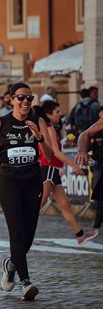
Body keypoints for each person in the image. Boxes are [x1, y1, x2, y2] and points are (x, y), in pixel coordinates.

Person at [0, 82, 53, 301]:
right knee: (16, 233)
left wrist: (38, 137)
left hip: (32, 183)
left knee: (28, 236)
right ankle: (26, 282)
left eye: (29, 99)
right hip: (10, 183)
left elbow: (48, 156)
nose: (26, 102)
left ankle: (10, 265)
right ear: (11, 99)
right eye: (21, 98)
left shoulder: (38, 121)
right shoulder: (0, 123)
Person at [33, 102, 98, 245]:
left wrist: (65, 143)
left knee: (65, 203)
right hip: (49, 168)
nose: (60, 114)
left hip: (52, 169)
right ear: (48, 115)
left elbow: (54, 148)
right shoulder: (49, 128)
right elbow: (55, 152)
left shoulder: (50, 129)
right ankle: (24, 235)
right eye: (57, 112)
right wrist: (74, 165)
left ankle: (80, 235)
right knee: (39, 203)